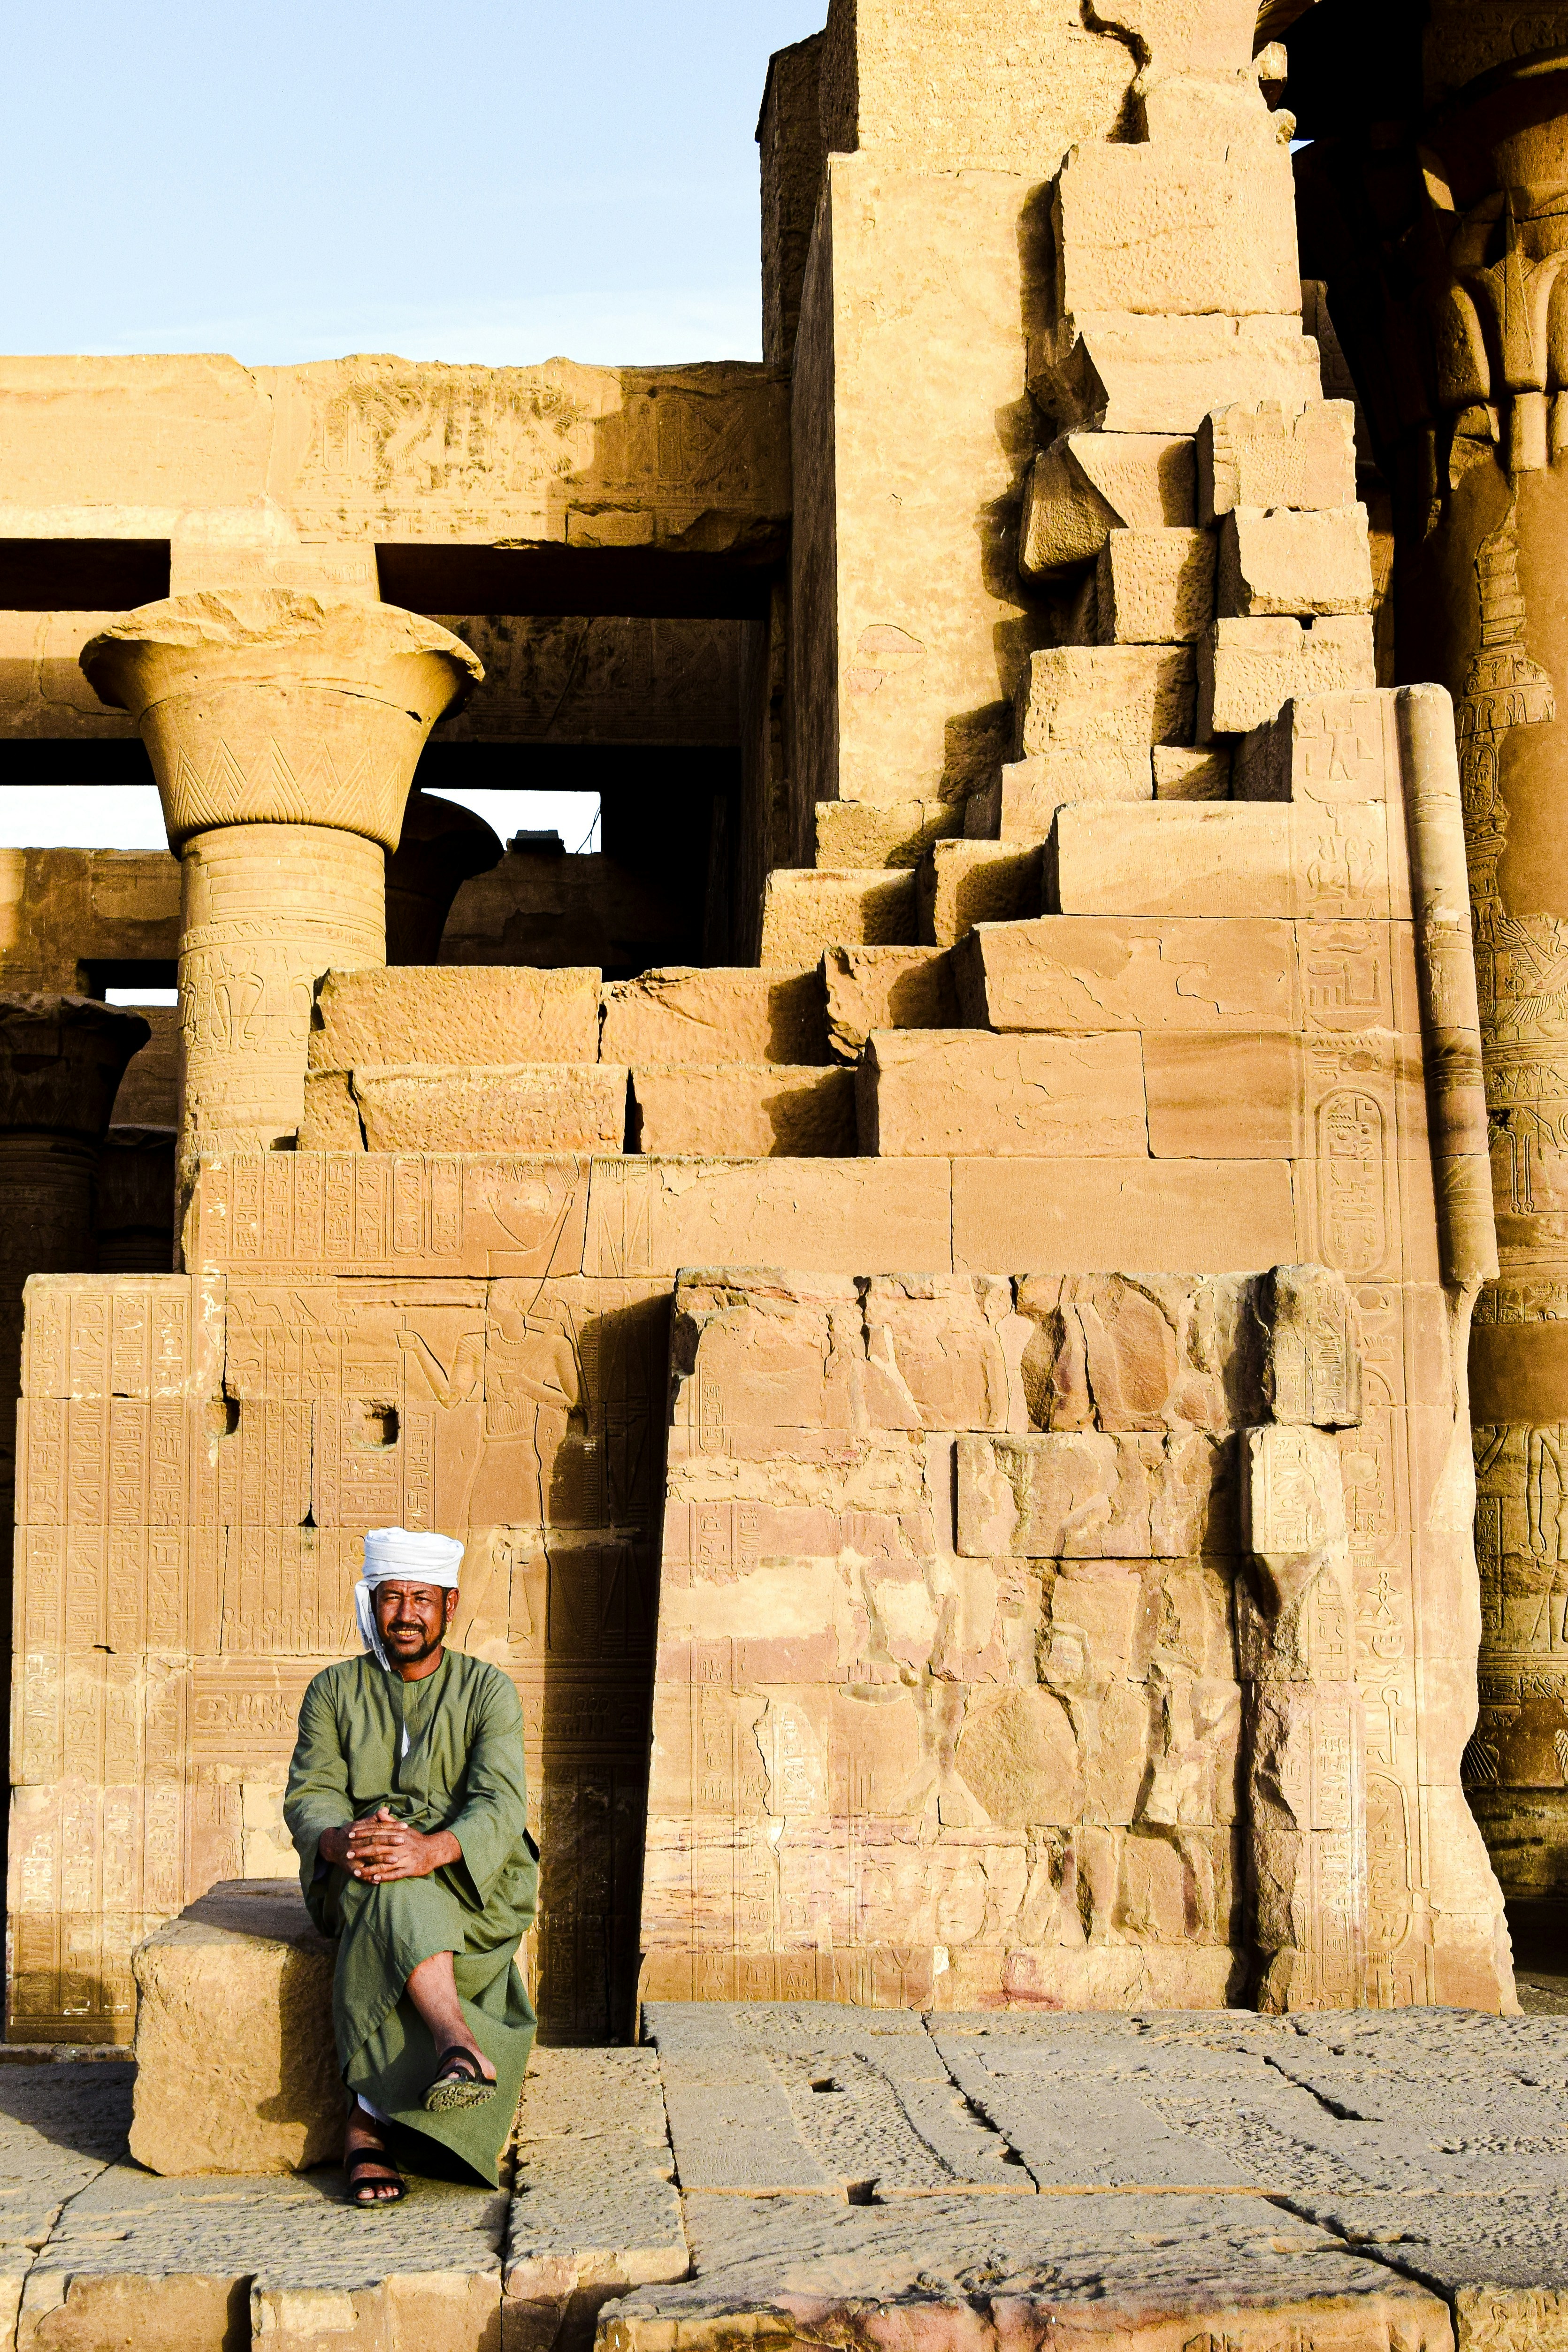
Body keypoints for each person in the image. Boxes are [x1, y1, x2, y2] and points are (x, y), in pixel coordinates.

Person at [283, 1526, 539, 2206]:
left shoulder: (488, 1692)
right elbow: (312, 1793)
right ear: (372, 1603)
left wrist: (432, 1849)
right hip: (359, 1862)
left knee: (398, 1884)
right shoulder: (334, 1690)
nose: (404, 1614)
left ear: (448, 1607)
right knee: (384, 1878)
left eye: (419, 1599)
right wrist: (340, 1841)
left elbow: (499, 1800)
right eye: (390, 1598)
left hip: (470, 1882)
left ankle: (364, 2126)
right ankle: (456, 2042)